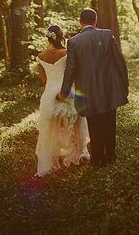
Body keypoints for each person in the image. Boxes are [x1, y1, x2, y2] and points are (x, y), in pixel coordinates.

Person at [57, 8, 129, 166]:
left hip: (88, 91)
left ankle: (97, 158)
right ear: (95, 21)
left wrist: (64, 91)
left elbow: (71, 69)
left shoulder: (74, 42)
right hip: (109, 88)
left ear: (80, 22)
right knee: (110, 123)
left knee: (94, 123)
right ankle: (110, 157)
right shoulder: (107, 34)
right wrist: (124, 85)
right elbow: (120, 62)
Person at [35, 25, 90, 176]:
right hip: (67, 91)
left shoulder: (40, 57)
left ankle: (52, 158)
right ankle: (78, 153)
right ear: (61, 37)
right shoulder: (66, 53)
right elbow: (73, 73)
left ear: (48, 37)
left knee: (50, 128)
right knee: (77, 122)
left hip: (49, 94)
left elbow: (44, 80)